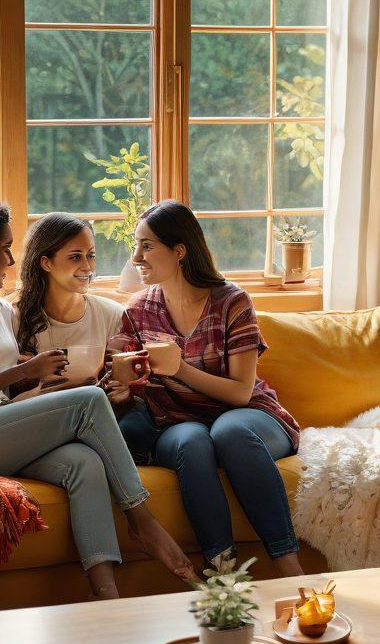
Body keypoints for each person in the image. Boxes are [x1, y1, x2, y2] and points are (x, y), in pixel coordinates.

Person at [0, 195, 194, 600]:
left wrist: (48, 383)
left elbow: (5, 385)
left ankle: (107, 596)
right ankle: (142, 520)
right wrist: (24, 371)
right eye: (3, 248)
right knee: (90, 401)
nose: (10, 259)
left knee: (85, 462)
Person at [108, 200, 305, 576]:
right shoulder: (137, 311)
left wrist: (179, 368)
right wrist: (121, 390)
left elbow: (240, 393)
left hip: (247, 419)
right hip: (176, 423)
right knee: (191, 441)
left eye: (146, 246)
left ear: (179, 250)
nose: (136, 257)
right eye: (136, 245)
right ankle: (223, 573)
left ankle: (289, 567)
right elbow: (130, 382)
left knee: (228, 431)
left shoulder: (232, 302)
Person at [12, 213, 126, 391]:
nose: (88, 267)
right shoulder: (13, 317)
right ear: (46, 263)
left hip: (91, 413)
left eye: (91, 255)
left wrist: (119, 392)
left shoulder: (111, 315)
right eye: (75, 257)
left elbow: (118, 382)